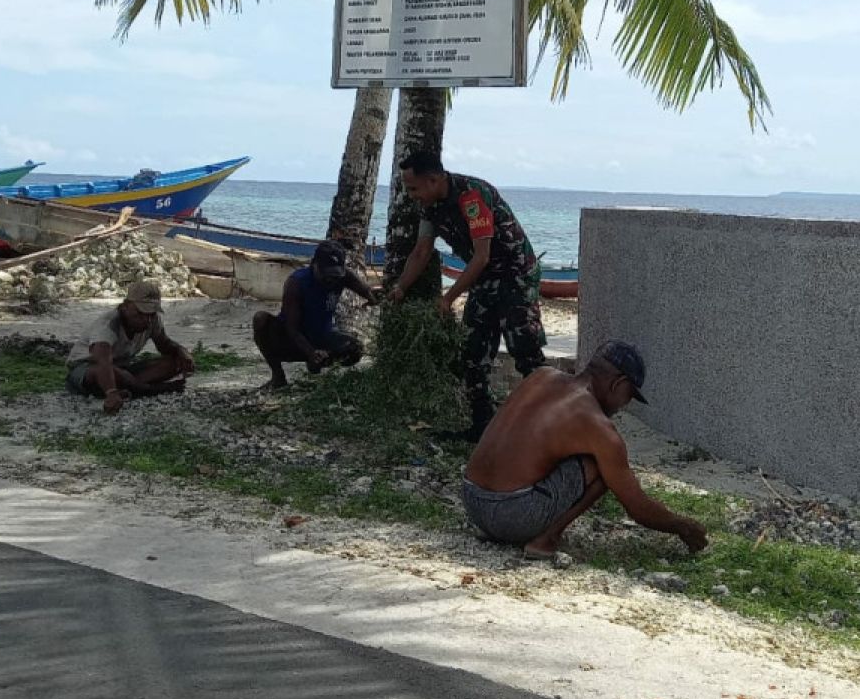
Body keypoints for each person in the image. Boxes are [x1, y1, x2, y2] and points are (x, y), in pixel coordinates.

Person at [461, 340, 709, 559]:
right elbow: (638, 508)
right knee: (603, 466)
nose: (625, 405)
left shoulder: (541, 376)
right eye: (629, 395)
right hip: (512, 516)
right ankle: (545, 540)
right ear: (618, 383)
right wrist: (683, 526)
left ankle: (514, 529)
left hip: (471, 500)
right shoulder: (596, 425)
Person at [387, 151, 546, 441]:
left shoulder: (471, 197)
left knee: (525, 349)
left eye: (413, 188)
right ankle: (482, 426)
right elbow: (422, 251)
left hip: (515, 275)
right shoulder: (430, 207)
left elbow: (482, 255)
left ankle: (551, 426)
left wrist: (448, 298)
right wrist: (400, 287)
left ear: (433, 180)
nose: (411, 195)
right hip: (484, 279)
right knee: (472, 352)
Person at [252, 240, 379, 389]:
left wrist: (374, 298)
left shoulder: (344, 276)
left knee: (355, 349)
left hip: (322, 335)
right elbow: (292, 328)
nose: (330, 279)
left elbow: (366, 291)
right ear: (314, 265)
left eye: (335, 275)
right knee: (260, 319)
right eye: (326, 274)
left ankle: (317, 363)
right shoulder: (296, 283)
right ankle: (278, 376)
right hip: (291, 340)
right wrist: (310, 351)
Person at [65, 280, 194, 415]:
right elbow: (101, 361)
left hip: (123, 368)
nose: (146, 319)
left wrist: (182, 353)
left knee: (173, 363)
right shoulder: (107, 325)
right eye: (140, 313)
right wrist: (111, 393)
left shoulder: (152, 320)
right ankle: (147, 389)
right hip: (87, 369)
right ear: (126, 306)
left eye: (151, 314)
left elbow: (164, 345)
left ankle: (133, 387)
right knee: (111, 372)